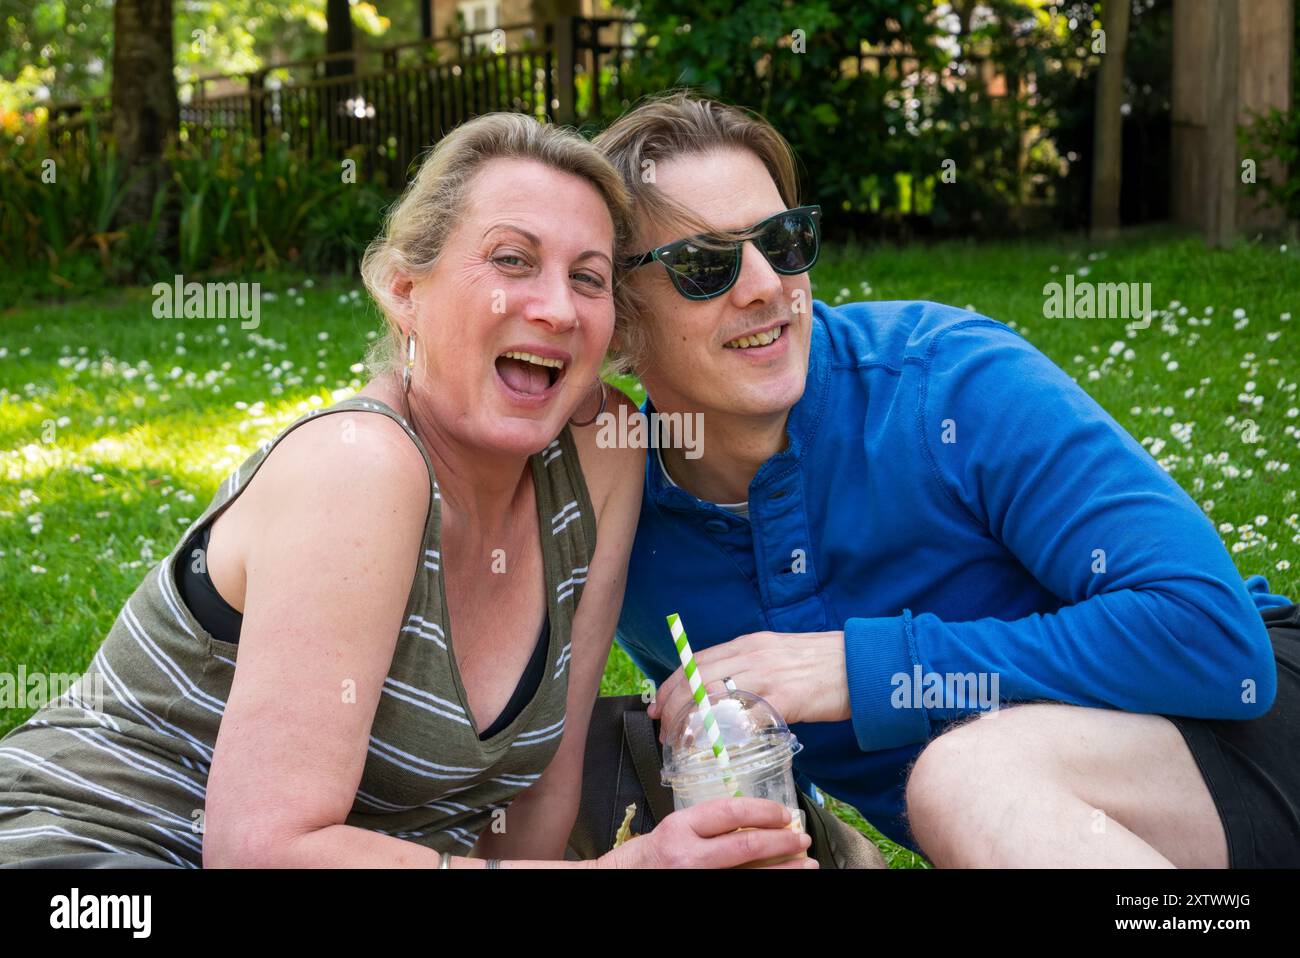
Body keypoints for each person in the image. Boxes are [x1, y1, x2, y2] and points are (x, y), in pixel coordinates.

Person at [0, 112, 812, 871]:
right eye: (511, 260)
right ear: (402, 289)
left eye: (589, 278)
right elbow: (260, 851)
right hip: (92, 857)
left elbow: (538, 809)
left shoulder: (602, 449)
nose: (557, 308)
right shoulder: (361, 468)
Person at [595, 92, 1300, 867]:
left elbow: (1215, 639)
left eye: (786, 241)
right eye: (704, 264)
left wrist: (866, 670)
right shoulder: (623, 515)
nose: (767, 284)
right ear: (619, 315)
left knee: (964, 779)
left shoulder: (943, 381)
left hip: (1241, 744)